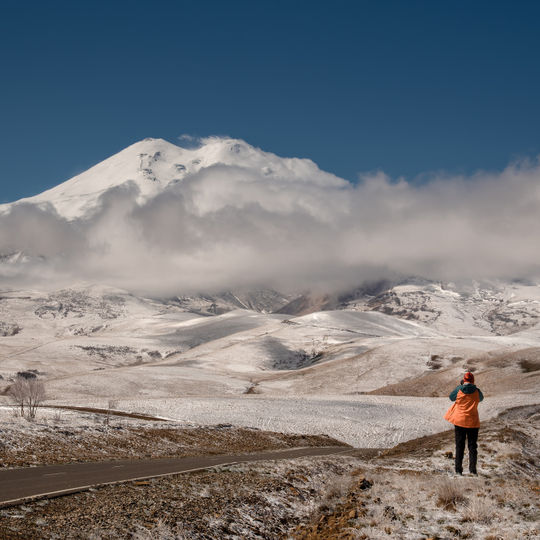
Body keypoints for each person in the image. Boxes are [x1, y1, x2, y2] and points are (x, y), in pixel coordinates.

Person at [444, 371, 484, 475]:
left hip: (460, 421)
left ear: (464, 380)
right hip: (473, 422)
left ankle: (458, 470)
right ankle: (473, 470)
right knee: (472, 447)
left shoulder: (459, 389)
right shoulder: (477, 391)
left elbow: (451, 397)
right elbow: (481, 398)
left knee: (459, 445)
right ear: (473, 380)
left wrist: (460, 386)